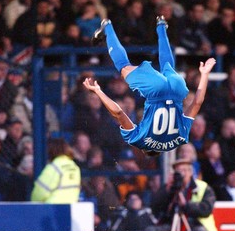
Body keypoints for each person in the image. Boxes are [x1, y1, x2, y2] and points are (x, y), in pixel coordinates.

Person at [84, 16, 216, 155]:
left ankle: (161, 26)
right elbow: (118, 113)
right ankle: (108, 28)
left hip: (178, 90)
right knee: (123, 66)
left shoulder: (181, 138)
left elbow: (197, 103)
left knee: (168, 65)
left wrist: (205, 74)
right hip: (156, 91)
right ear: (144, 150)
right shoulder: (140, 140)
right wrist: (98, 91)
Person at [147, 158, 218, 231]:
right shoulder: (170, 187)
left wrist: (186, 205)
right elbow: (155, 207)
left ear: (190, 172)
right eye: (179, 171)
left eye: (184, 170)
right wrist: (167, 190)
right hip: (173, 224)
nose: (182, 174)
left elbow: (206, 210)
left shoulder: (202, 187)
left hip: (197, 224)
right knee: (151, 230)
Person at [31, 138, 81, 203]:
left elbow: (40, 192)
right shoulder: (75, 167)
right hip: (69, 209)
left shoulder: (54, 167)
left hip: (52, 210)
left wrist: (33, 201)